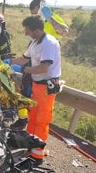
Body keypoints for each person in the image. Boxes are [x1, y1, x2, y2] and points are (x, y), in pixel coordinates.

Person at [6, 15, 61, 164]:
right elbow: (23, 59)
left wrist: (25, 69)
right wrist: (8, 61)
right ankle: (30, 145)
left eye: (27, 30)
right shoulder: (35, 42)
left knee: (42, 119)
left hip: (46, 85)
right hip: (37, 85)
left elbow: (44, 67)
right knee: (33, 115)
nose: (25, 33)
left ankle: (37, 153)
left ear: (36, 30)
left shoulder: (49, 43)